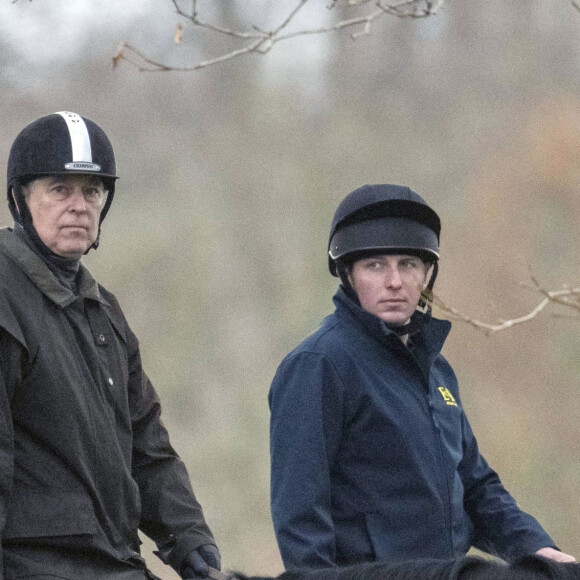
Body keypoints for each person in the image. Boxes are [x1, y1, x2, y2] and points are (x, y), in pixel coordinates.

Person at [269, 184, 575, 570]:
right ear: (347, 274)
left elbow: (476, 489)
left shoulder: (436, 369)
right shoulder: (318, 365)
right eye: (375, 265)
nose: (395, 281)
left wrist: (539, 552)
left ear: (428, 274)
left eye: (409, 264)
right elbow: (300, 521)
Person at [0, 111, 221, 579]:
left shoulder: (104, 310)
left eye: (92, 191)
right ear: (20, 200)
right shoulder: (4, 297)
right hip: (32, 563)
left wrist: (189, 538)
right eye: (60, 190)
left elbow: (146, 442)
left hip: (113, 560)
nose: (79, 206)